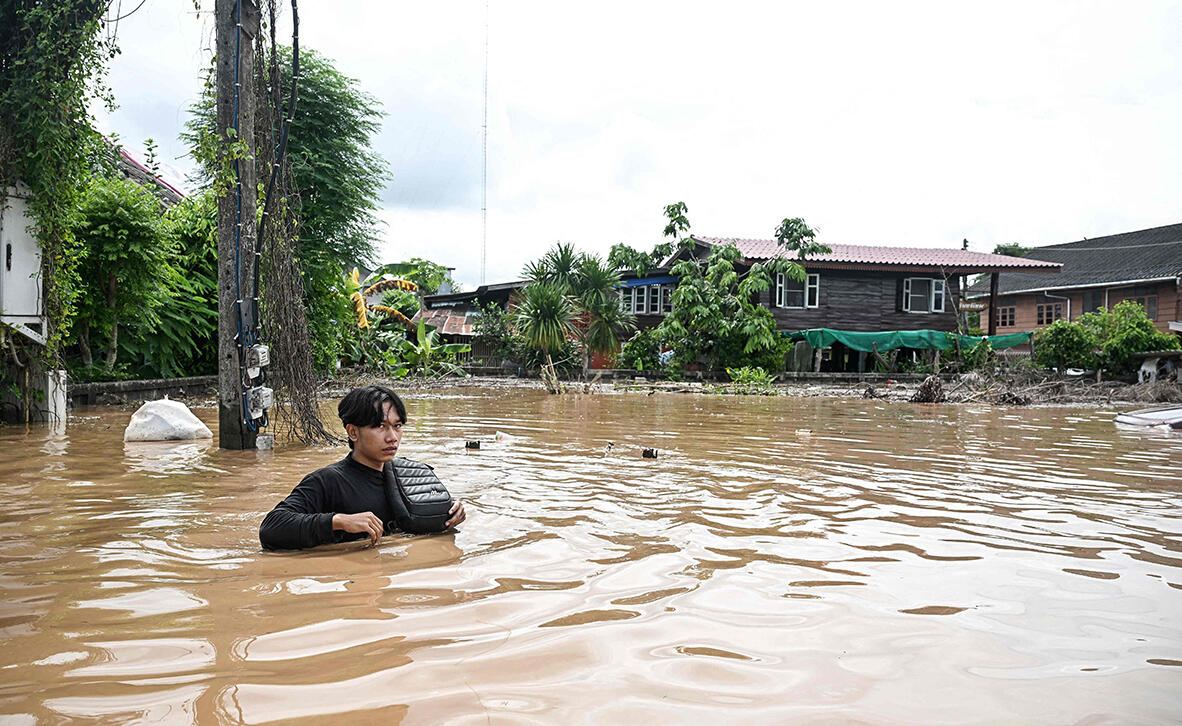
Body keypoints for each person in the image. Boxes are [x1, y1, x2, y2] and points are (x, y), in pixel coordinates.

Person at [259, 385, 466, 550]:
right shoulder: (328, 481)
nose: (392, 437)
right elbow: (271, 528)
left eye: (397, 426)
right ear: (353, 432)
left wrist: (452, 514)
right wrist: (338, 521)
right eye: (380, 426)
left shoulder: (412, 475)